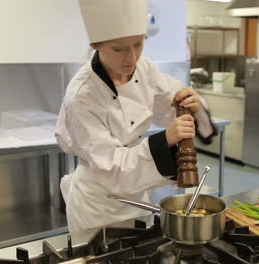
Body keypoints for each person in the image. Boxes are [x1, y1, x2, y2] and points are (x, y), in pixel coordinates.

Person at [55, 0, 216, 232]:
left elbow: (169, 103)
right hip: (97, 207)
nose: (131, 58)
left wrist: (193, 103)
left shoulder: (143, 67)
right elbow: (112, 168)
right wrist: (166, 139)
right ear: (96, 44)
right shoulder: (82, 96)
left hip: (137, 199)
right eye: (118, 49)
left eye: (138, 44)